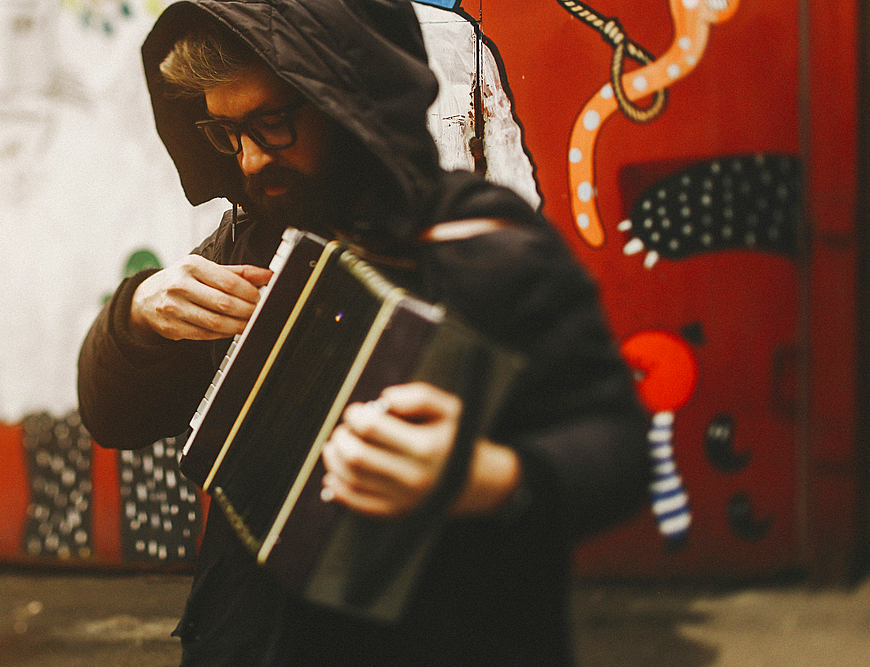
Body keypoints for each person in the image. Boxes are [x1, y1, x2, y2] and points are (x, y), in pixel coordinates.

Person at [77, 1, 649, 665]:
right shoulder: (245, 243)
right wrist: (136, 318)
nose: (252, 160)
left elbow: (617, 446)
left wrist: (489, 475)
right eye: (226, 132)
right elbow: (110, 416)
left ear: (347, 100)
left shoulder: (487, 246)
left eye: (272, 123)